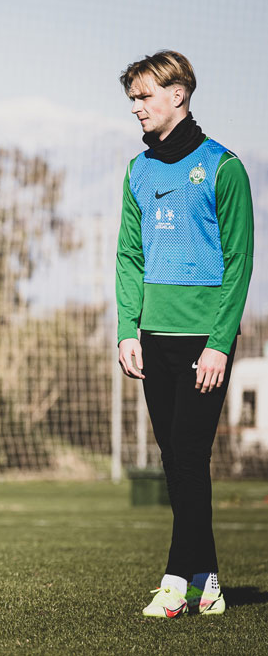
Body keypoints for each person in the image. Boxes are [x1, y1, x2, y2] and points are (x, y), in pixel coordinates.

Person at [116, 51, 254, 618]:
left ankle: (175, 581)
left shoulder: (224, 167)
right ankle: (207, 579)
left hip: (204, 339)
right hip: (154, 338)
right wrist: (127, 329)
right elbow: (129, 255)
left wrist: (220, 343)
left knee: (191, 456)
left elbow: (239, 261)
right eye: (132, 98)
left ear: (178, 94)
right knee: (175, 459)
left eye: (144, 96)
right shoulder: (137, 170)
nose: (136, 107)